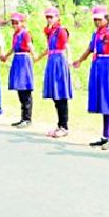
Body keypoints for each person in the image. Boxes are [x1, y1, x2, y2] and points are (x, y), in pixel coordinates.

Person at [73, 6, 109, 150]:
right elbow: (90, 49)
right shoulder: (95, 34)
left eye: (99, 19)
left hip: (107, 67)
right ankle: (105, 136)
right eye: (95, 19)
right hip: (97, 67)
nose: (97, 22)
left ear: (106, 19)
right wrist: (80, 60)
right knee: (103, 101)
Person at [35, 7, 73, 138]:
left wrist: (69, 61)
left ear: (57, 17)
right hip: (52, 61)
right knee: (55, 95)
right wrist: (38, 57)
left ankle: (64, 126)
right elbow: (48, 49)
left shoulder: (61, 31)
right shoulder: (51, 32)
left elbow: (67, 46)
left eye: (51, 17)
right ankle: (60, 124)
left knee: (61, 94)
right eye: (47, 17)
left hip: (59, 62)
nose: (49, 19)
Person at [0, 12, 36, 128]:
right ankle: (23, 117)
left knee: (25, 89)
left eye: (17, 22)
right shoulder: (15, 34)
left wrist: (35, 56)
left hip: (24, 60)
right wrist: (6, 55)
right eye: (13, 23)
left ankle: (28, 118)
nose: (15, 25)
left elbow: (30, 46)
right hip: (17, 60)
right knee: (20, 89)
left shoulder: (25, 34)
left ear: (22, 23)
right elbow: (13, 48)